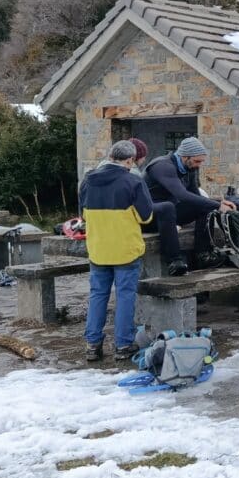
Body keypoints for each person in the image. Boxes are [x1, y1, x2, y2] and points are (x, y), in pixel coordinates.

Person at [79, 141, 154, 362]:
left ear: (110, 155)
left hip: (98, 249)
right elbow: (146, 217)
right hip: (125, 249)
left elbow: (83, 217)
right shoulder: (133, 181)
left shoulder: (88, 181)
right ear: (130, 160)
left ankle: (92, 345)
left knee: (98, 295)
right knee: (125, 296)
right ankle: (123, 345)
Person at [143, 137, 234, 276]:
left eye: (201, 161)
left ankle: (203, 254)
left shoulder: (189, 168)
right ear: (185, 157)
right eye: (197, 161)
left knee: (203, 207)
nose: (199, 165)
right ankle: (174, 261)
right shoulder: (162, 166)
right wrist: (218, 205)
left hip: (169, 215)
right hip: (148, 216)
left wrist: (217, 204)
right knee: (167, 207)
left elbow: (195, 197)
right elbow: (182, 195)